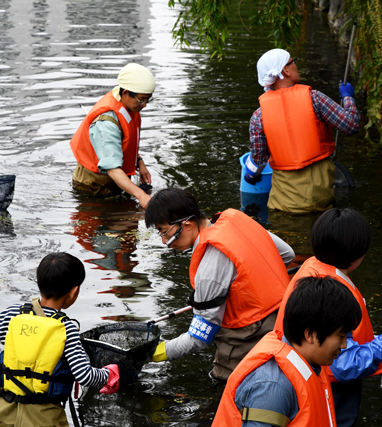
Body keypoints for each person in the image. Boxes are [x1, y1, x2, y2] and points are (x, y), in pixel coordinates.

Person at [274, 208, 382, 427]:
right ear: (357, 255)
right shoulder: (336, 294)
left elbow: (341, 339)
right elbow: (344, 365)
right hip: (329, 390)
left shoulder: (312, 270)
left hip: (299, 376)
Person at [0, 252, 120, 427]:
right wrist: (109, 375)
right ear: (74, 292)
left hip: (0, 413)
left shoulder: (13, 314)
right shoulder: (67, 328)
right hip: (44, 419)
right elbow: (84, 375)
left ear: (39, 283)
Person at [145, 188, 295, 382]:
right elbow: (287, 254)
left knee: (223, 385)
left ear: (187, 224)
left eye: (164, 232)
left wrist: (155, 353)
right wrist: (248, 284)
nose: (164, 241)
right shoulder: (235, 219)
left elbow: (199, 338)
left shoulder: (209, 269)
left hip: (249, 334)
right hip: (285, 316)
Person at [212, 276, 362, 427]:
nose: (344, 345)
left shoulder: (309, 361)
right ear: (309, 334)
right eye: (341, 336)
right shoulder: (272, 387)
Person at [243, 49, 361, 213]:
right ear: (285, 70)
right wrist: (348, 97)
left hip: (283, 206)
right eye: (293, 61)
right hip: (322, 201)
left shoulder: (258, 116)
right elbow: (352, 125)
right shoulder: (315, 99)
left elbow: (258, 162)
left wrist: (250, 175)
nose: (296, 65)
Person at [70, 63, 155, 207]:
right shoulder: (106, 123)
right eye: (142, 99)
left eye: (148, 99)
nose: (145, 105)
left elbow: (123, 141)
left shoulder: (128, 105)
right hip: (94, 188)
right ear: (126, 93)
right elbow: (112, 168)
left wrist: (139, 162)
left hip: (115, 183)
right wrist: (142, 196)